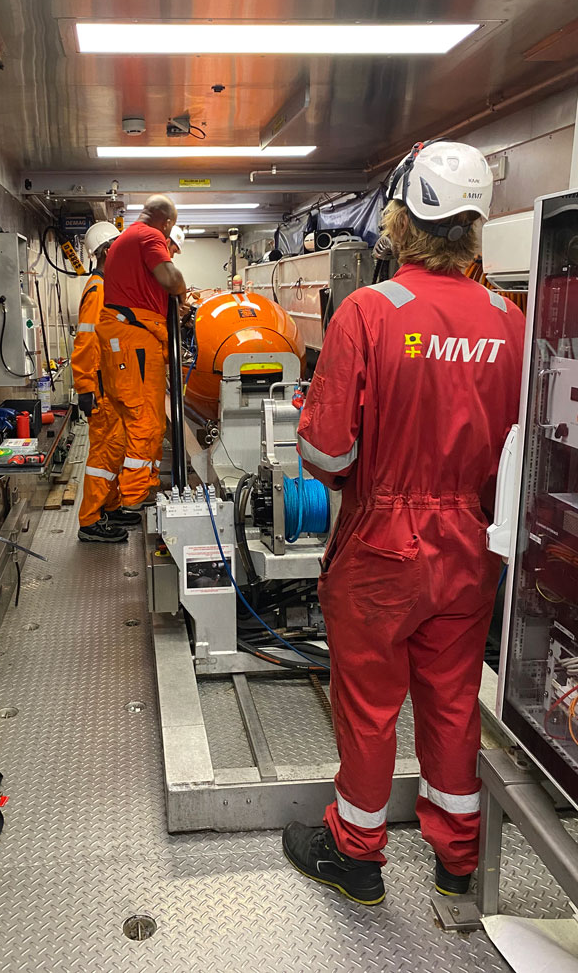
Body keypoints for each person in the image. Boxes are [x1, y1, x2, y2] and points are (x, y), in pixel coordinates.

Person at [282, 140, 525, 905]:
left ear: (402, 217)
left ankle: (355, 851)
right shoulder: (509, 321)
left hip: (383, 543)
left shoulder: (369, 311)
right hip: (471, 544)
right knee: (453, 700)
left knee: (369, 701)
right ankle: (458, 859)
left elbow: (326, 451)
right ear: (475, 226)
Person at [97, 196, 186, 511]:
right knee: (145, 420)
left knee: (145, 419)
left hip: (132, 336)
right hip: (135, 338)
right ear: (166, 223)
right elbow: (169, 277)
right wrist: (182, 293)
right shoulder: (149, 235)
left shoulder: (126, 239)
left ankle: (142, 488)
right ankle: (134, 498)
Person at [72, 221, 139, 543]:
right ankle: (91, 520)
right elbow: (85, 342)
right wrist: (85, 387)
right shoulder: (98, 290)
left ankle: (110, 507)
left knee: (115, 452)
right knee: (104, 455)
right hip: (102, 391)